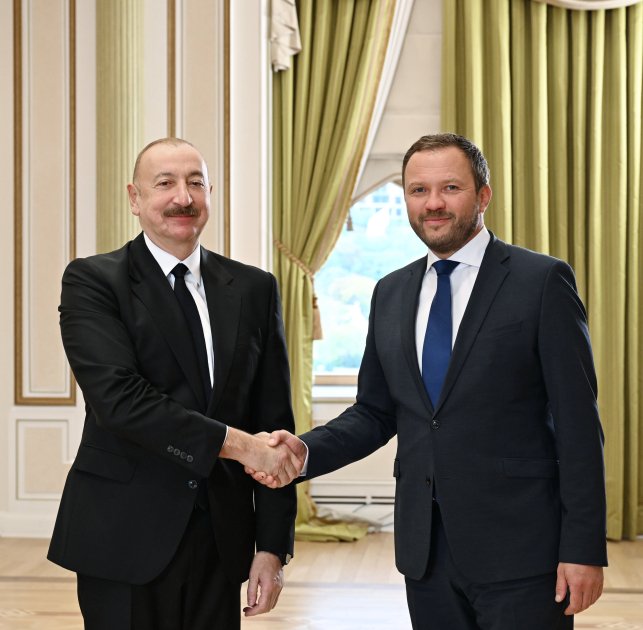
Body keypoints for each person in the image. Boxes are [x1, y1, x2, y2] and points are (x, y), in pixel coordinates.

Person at [248, 133, 608, 629]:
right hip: (426, 554)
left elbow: (578, 424)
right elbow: (375, 413)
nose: (433, 203)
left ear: (483, 196)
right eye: (418, 190)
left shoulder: (541, 281)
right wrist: (304, 451)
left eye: (450, 188)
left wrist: (583, 547)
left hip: (522, 550)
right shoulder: (390, 292)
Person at [48, 138, 304, 630]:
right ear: (135, 198)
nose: (182, 197)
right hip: (123, 535)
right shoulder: (93, 281)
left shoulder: (255, 288)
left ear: (210, 194)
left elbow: (274, 422)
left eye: (195, 183)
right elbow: (121, 402)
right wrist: (243, 447)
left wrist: (272, 546)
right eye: (164, 183)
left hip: (223, 541)